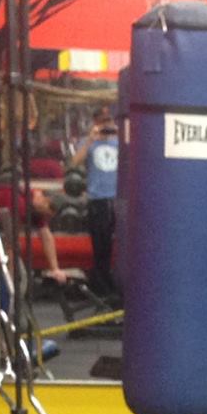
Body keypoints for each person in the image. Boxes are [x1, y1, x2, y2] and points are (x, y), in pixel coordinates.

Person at [74, 109, 120, 299]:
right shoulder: (88, 142)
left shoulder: (119, 141)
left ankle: (111, 281)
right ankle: (101, 283)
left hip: (117, 198)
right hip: (97, 199)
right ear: (95, 122)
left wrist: (120, 132)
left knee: (115, 244)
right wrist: (91, 139)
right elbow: (74, 162)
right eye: (102, 121)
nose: (105, 125)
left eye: (108, 120)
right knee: (100, 245)